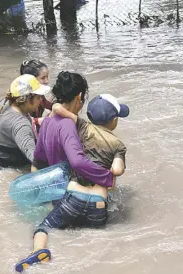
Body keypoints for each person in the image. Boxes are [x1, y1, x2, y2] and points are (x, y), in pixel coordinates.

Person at [15, 71, 114, 272]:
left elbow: (38, 161)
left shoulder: (48, 124)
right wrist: (107, 177)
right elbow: (77, 162)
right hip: (83, 199)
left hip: (62, 199)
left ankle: (40, 253)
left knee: (43, 228)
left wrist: (41, 193)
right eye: (82, 100)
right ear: (78, 97)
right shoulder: (68, 124)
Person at [53, 93, 129, 190]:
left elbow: (56, 108)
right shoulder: (118, 145)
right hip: (97, 188)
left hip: (75, 183)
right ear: (114, 120)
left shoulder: (83, 126)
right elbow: (117, 170)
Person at [0, 74, 50, 170]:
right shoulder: (21, 125)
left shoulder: (4, 102)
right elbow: (36, 160)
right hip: (5, 169)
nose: (41, 100)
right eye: (38, 97)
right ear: (28, 99)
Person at [0, 60, 52, 131]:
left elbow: (49, 105)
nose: (47, 81)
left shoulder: (39, 96)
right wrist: (37, 120)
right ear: (30, 79)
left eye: (47, 77)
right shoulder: (22, 101)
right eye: (43, 78)